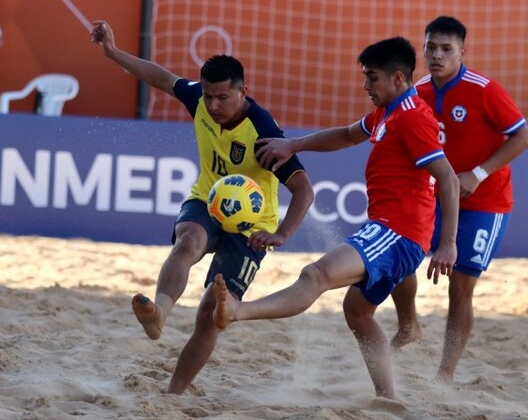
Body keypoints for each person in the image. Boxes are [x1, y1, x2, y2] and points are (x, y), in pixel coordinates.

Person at [212, 36, 460, 400]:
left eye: (371, 78)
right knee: (357, 312)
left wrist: (449, 244)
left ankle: (237, 312)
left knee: (316, 274)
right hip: (392, 230)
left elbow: (449, 179)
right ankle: (388, 398)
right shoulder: (387, 112)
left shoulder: (412, 118)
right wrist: (292, 145)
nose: (365, 86)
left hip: (398, 233)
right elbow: (345, 135)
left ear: (397, 79)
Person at [90, 20, 314, 394]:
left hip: (250, 228)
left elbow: (304, 190)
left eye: (222, 98)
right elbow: (162, 78)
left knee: (211, 315)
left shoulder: (263, 133)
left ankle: (174, 394)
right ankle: (159, 311)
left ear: (244, 92)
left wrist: (282, 234)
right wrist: (113, 52)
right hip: (208, 201)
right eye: (208, 96)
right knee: (187, 243)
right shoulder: (199, 99)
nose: (212, 105)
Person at [390, 16, 528, 382]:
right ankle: (409, 326)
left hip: (486, 202)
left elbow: (523, 137)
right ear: (422, 49)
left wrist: (479, 173)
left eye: (446, 49)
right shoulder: (417, 91)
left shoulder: (484, 89)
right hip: (436, 199)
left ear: (462, 53)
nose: (436, 55)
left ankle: (445, 375)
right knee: (400, 260)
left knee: (460, 286)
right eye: (430, 47)